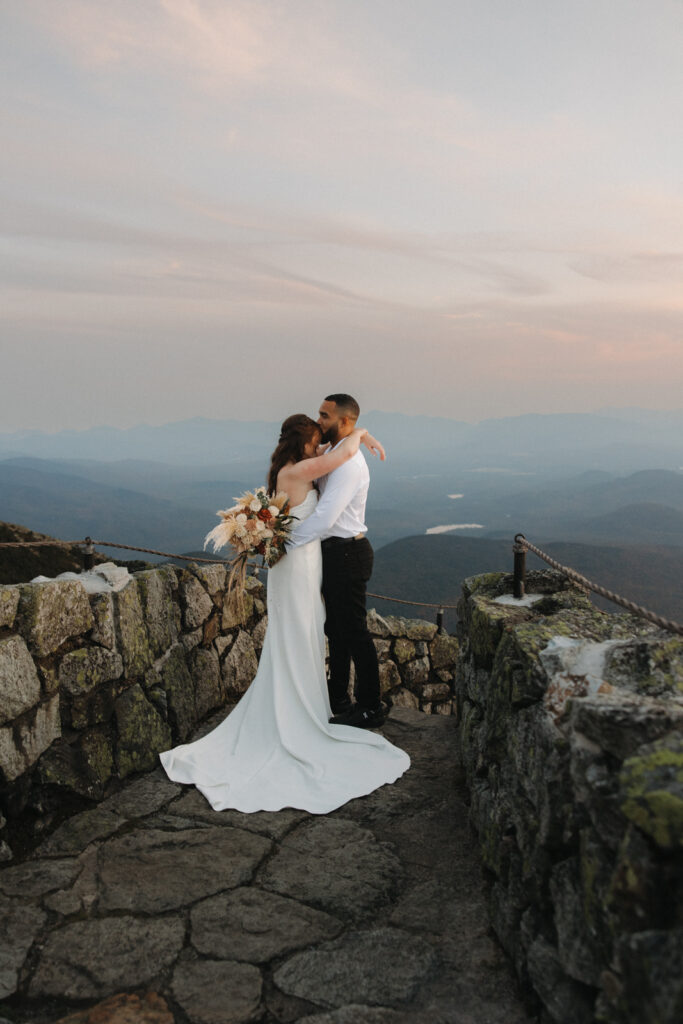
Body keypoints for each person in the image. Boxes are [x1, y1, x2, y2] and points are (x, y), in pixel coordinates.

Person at [159, 413, 409, 814]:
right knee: (298, 628)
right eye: (313, 440)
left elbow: (333, 450)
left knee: (307, 628)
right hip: (297, 564)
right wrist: (361, 432)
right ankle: (297, 711)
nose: (318, 444)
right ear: (301, 444)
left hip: (302, 562)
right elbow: (339, 454)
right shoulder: (299, 470)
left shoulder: (289, 468)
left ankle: (307, 702)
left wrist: (357, 432)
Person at [286, 394, 386, 728]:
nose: (319, 421)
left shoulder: (351, 465)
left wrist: (286, 544)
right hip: (333, 553)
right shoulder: (332, 451)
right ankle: (338, 697)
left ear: (344, 421)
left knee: (355, 631)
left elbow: (327, 517)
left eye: (325, 415)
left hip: (347, 553)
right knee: (336, 630)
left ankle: (371, 705)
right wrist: (363, 433)